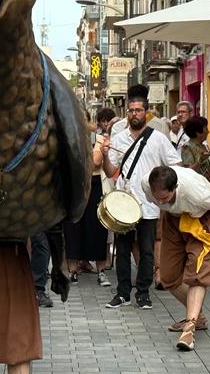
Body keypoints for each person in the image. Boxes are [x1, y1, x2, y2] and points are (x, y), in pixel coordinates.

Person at [100, 93, 182, 309]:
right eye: (130, 110)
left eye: (137, 110)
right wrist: (106, 155)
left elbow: (175, 165)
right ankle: (123, 293)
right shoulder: (119, 139)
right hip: (124, 204)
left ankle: (143, 293)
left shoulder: (158, 139)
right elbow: (110, 172)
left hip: (148, 204)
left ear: (146, 112)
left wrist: (164, 192)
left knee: (147, 250)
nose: (133, 114)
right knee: (123, 250)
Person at [144, 165, 210, 351]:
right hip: (175, 220)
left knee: (197, 274)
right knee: (167, 277)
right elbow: (161, 200)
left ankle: (190, 328)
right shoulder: (147, 184)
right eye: (157, 198)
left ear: (175, 187)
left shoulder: (196, 192)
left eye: (165, 198)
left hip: (204, 218)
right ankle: (198, 316)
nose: (160, 201)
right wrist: (166, 205)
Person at [63, 127, 108, 286]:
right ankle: (73, 271)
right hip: (74, 186)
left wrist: (76, 158)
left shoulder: (98, 138)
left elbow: (96, 162)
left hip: (94, 185)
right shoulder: (67, 135)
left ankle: (101, 271)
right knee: (72, 227)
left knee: (97, 227)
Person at [179, 116, 210, 182]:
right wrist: (200, 161)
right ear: (198, 132)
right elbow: (188, 172)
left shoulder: (205, 146)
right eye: (206, 129)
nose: (208, 132)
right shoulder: (187, 147)